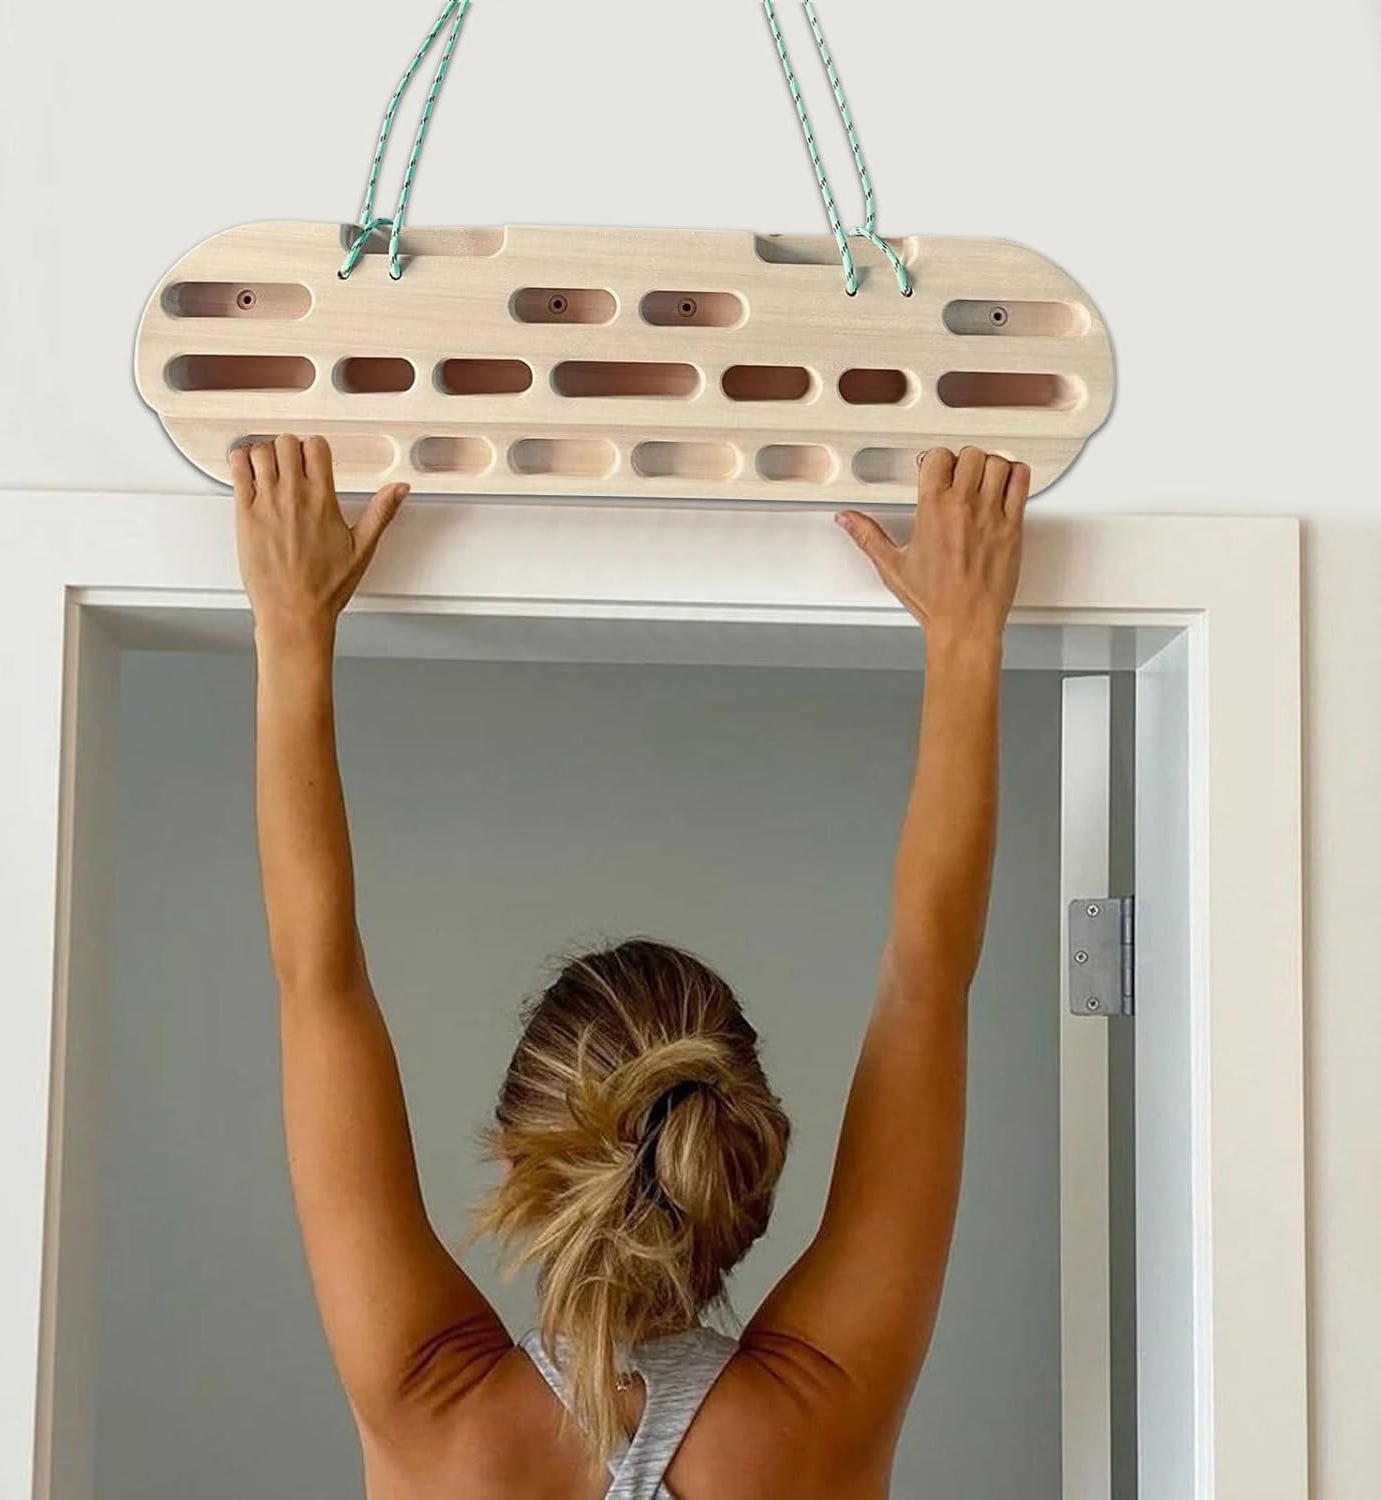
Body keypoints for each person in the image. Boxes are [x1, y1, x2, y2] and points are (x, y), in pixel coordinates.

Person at [230, 434, 1029, 1500]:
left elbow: (317, 978)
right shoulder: (817, 1417)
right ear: (743, 1177)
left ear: (515, 1163)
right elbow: (927, 985)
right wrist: (966, 639)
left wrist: (291, 626)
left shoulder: (432, 1414)